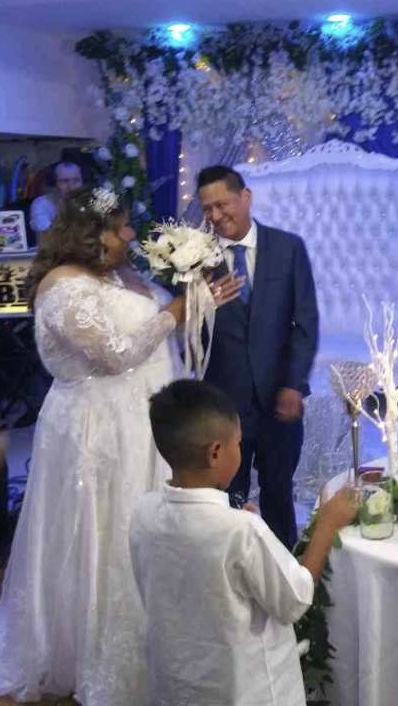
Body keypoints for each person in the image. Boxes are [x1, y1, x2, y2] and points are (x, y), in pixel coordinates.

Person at [0, 187, 241, 704]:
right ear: (93, 232)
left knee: (145, 528)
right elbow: (115, 353)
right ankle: (97, 658)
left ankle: (158, 646)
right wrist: (177, 310)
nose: (130, 235)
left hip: (139, 425)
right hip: (97, 428)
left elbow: (152, 334)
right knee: (104, 532)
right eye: (121, 227)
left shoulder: (114, 275)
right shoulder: (63, 287)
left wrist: (197, 302)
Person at [130, 378, 357, 706]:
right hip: (248, 690)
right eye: (237, 443)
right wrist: (326, 524)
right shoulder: (241, 530)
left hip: (180, 684)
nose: (241, 449)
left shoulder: (143, 511)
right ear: (216, 452)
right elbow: (293, 600)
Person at [197, 165, 319, 549]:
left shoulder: (287, 248)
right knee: (225, 501)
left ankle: (286, 572)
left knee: (279, 493)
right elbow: (189, 333)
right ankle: (232, 572)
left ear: (245, 197)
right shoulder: (193, 258)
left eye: (222, 204)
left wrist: (293, 385)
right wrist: (197, 302)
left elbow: (305, 324)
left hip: (278, 400)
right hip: (223, 404)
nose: (216, 216)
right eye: (207, 209)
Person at [29, 161, 83, 234]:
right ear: (54, 184)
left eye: (76, 181)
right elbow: (46, 230)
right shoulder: (41, 204)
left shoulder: (91, 202)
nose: (71, 187)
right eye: (64, 181)